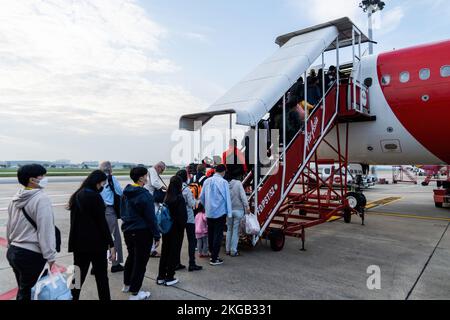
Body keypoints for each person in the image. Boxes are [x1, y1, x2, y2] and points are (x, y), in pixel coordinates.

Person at [6, 164, 57, 300]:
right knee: (32, 293)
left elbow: (9, 225)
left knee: (24, 290)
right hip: (31, 254)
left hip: (14, 251)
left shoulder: (15, 198)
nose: (44, 178)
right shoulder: (41, 199)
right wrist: (50, 255)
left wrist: (10, 245)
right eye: (42, 176)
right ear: (32, 180)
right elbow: (45, 230)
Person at [68, 170, 116, 301]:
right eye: (102, 184)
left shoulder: (78, 194)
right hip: (95, 244)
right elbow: (102, 223)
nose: (102, 187)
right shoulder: (94, 197)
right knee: (101, 278)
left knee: (77, 276)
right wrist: (111, 244)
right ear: (97, 182)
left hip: (79, 244)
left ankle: (71, 297)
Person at [121, 167, 161, 300]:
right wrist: (156, 235)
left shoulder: (125, 192)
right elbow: (151, 217)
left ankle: (127, 285)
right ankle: (135, 292)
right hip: (142, 232)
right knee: (140, 262)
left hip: (128, 230)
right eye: (146, 175)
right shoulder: (144, 195)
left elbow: (122, 211)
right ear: (141, 178)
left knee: (131, 257)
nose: (147, 177)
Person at [157, 176, 187, 286]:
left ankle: (161, 276)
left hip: (166, 228)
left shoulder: (167, 197)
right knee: (173, 253)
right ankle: (169, 277)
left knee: (165, 252)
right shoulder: (179, 198)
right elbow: (182, 218)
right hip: (176, 230)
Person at [199, 164, 232, 266]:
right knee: (218, 235)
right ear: (223, 172)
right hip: (220, 212)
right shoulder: (224, 182)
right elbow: (227, 198)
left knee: (211, 233)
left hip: (209, 212)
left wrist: (206, 207)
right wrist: (229, 213)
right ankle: (214, 258)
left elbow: (202, 197)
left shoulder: (207, 181)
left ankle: (211, 252)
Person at [99, 161, 124, 273]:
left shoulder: (96, 179)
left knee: (99, 238)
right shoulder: (111, 178)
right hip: (109, 210)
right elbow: (120, 192)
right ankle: (115, 263)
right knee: (114, 237)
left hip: (98, 211)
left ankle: (97, 264)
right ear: (110, 169)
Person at [176, 169, 203, 272]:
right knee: (192, 241)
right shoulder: (187, 189)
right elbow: (192, 205)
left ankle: (177, 262)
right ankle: (192, 263)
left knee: (178, 241)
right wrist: (198, 201)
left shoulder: (175, 188)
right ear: (185, 177)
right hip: (189, 218)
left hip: (178, 218)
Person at [144, 161, 167, 257]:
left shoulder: (150, 170)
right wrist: (166, 188)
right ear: (158, 167)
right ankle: (152, 249)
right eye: (161, 170)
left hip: (150, 200)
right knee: (155, 222)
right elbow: (155, 183)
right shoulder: (153, 171)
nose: (161, 173)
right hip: (151, 201)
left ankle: (151, 248)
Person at [226, 173, 250, 257]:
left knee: (229, 230)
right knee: (235, 231)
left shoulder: (226, 185)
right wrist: (247, 206)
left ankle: (227, 250)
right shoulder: (238, 183)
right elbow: (243, 196)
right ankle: (233, 251)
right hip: (238, 210)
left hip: (229, 211)